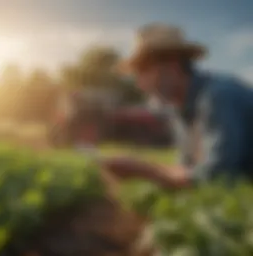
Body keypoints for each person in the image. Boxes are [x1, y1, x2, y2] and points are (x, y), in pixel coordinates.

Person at [102, 23, 253, 188]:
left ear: (171, 64)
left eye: (142, 70)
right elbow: (187, 169)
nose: (139, 84)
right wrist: (140, 166)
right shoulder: (179, 110)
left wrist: (145, 171)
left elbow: (217, 178)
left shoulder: (219, 96)